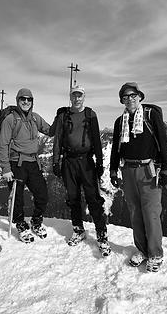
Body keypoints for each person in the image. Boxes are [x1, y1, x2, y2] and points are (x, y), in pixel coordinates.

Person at [110, 82, 167, 272]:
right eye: (126, 96)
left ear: (140, 97)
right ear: (122, 100)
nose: (130, 99)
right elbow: (115, 148)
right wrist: (113, 170)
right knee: (135, 212)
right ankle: (142, 250)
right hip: (127, 170)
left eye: (133, 95)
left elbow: (163, 142)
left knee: (151, 213)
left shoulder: (151, 116)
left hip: (148, 170)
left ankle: (155, 254)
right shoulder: (120, 122)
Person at [52, 85, 111, 256]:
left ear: (84, 97)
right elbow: (58, 140)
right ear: (70, 97)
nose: (77, 99)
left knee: (93, 198)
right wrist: (56, 162)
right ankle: (78, 230)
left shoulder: (90, 115)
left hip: (86, 161)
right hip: (69, 161)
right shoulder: (64, 115)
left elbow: (96, 140)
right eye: (74, 96)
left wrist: (99, 162)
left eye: (80, 96)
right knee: (73, 198)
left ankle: (101, 234)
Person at [0, 88, 56, 243]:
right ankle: (21, 225)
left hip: (33, 163)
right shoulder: (10, 119)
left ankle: (36, 221)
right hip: (16, 163)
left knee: (42, 194)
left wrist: (61, 117)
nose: (25, 102)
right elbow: (3, 144)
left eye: (29, 99)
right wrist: (6, 168)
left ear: (32, 102)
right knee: (17, 198)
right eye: (22, 99)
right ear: (18, 101)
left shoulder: (35, 118)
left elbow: (50, 131)